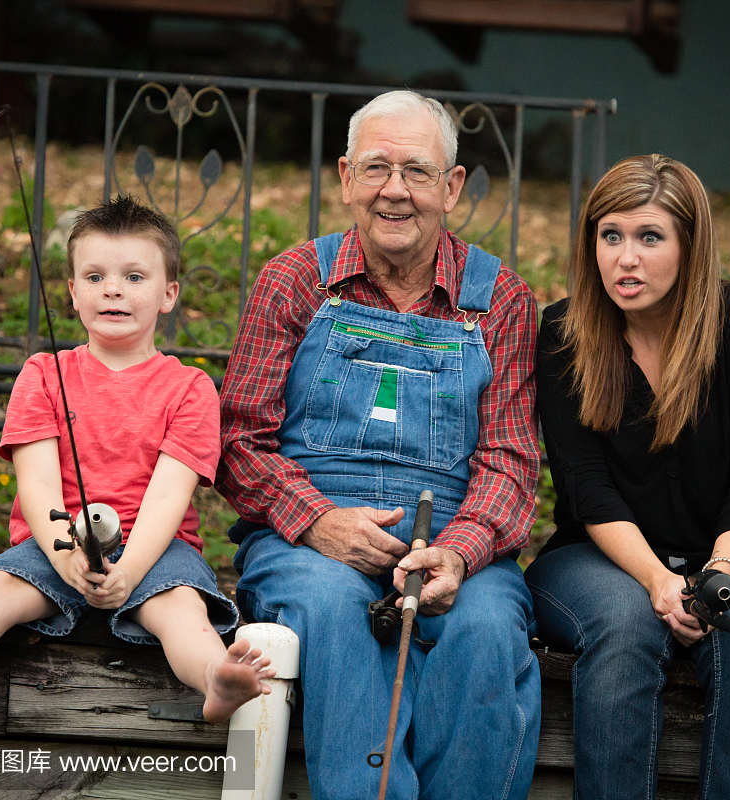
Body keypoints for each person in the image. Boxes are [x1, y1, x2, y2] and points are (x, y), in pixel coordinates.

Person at [216, 90, 541, 800]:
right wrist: (319, 522)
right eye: (376, 169)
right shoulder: (294, 280)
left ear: (452, 187)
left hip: (454, 536)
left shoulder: (503, 301)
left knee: (483, 627)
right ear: (344, 178)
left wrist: (456, 551)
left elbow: (511, 464)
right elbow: (239, 441)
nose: (395, 190)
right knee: (333, 610)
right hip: (307, 534)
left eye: (417, 172)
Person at [0, 196, 273, 724]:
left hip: (158, 549)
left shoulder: (190, 388)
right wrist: (66, 557)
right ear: (71, 292)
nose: (112, 288)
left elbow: (167, 496)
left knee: (182, 610)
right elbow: (38, 485)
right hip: (53, 543)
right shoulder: (43, 374)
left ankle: (214, 679)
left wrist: (129, 570)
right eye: (94, 276)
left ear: (169, 294)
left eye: (135, 277)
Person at [524, 154, 730, 800]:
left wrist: (717, 578)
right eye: (611, 236)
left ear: (690, 245)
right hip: (595, 559)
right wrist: (659, 581)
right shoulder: (562, 334)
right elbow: (585, 486)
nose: (625, 259)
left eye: (649, 237)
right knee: (628, 621)